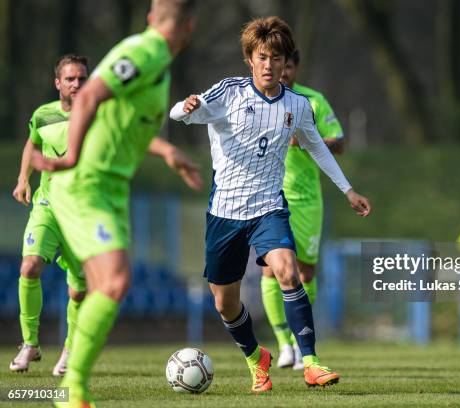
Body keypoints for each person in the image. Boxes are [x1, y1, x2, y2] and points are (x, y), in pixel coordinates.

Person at [169, 16, 371, 393]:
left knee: (288, 271)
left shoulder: (297, 104)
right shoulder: (228, 93)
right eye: (262, 57)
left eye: (276, 58)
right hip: (225, 213)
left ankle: (310, 361)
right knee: (225, 304)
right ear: (250, 58)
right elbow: (177, 115)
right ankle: (256, 359)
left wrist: (347, 190)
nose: (269, 65)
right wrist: (187, 105)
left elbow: (317, 149)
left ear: (285, 62)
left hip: (268, 208)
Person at [30, 1, 199, 406]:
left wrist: (165, 152)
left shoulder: (157, 63)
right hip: (88, 184)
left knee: (103, 287)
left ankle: (73, 387)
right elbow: (89, 97)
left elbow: (121, 122)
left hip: (111, 189)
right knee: (114, 282)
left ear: (150, 16)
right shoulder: (147, 51)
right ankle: (73, 391)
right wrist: (70, 155)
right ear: (189, 27)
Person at [261, 49, 345, 370]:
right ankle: (283, 343)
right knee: (270, 269)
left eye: (287, 65)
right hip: (271, 197)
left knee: (305, 273)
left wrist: (310, 140)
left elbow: (339, 141)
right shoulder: (259, 100)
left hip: (308, 200)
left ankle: (299, 342)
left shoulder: (313, 101)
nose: (280, 72)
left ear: (293, 67)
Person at [10, 54, 89, 377]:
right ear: (58, 82)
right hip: (48, 206)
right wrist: (22, 179)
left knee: (78, 290)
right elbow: (33, 144)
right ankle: (30, 344)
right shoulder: (43, 115)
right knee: (29, 266)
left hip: (82, 212)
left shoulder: (97, 115)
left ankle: (70, 348)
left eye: (82, 78)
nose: (76, 84)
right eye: (70, 78)